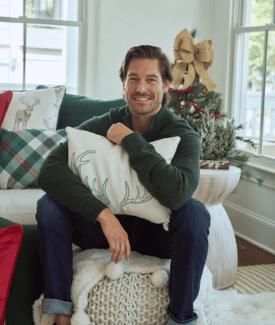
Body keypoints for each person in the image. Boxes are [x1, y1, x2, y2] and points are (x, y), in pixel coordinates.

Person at [36, 45, 210, 325]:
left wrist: (131, 140)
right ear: (124, 83)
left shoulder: (183, 134)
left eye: (151, 79)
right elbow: (49, 171)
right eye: (133, 78)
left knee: (195, 213)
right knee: (49, 206)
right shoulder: (103, 123)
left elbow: (177, 194)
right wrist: (103, 215)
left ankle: (180, 319)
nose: (141, 88)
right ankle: (60, 314)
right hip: (103, 231)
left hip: (157, 236)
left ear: (166, 85)